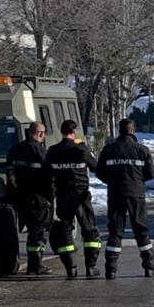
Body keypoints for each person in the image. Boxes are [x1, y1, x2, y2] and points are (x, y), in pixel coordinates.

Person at [96, 118, 154, 279]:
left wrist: (112, 181)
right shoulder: (142, 150)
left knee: (115, 232)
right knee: (141, 231)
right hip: (136, 194)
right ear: (132, 131)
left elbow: (99, 172)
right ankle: (149, 267)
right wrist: (137, 180)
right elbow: (151, 174)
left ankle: (111, 269)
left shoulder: (109, 149)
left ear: (119, 131)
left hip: (115, 194)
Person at [46, 119, 101, 278]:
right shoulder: (81, 149)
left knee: (65, 230)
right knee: (89, 230)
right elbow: (95, 167)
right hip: (81, 196)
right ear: (74, 131)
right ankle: (90, 267)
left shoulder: (53, 151)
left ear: (61, 132)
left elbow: (47, 173)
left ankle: (71, 268)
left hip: (63, 196)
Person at [6, 121, 53, 276]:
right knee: (38, 232)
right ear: (39, 133)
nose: (44, 136)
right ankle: (36, 265)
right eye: (43, 133)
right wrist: (50, 197)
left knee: (31, 231)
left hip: (20, 197)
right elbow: (48, 175)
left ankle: (33, 264)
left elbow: (10, 172)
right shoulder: (40, 151)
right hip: (37, 197)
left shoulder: (14, 149)